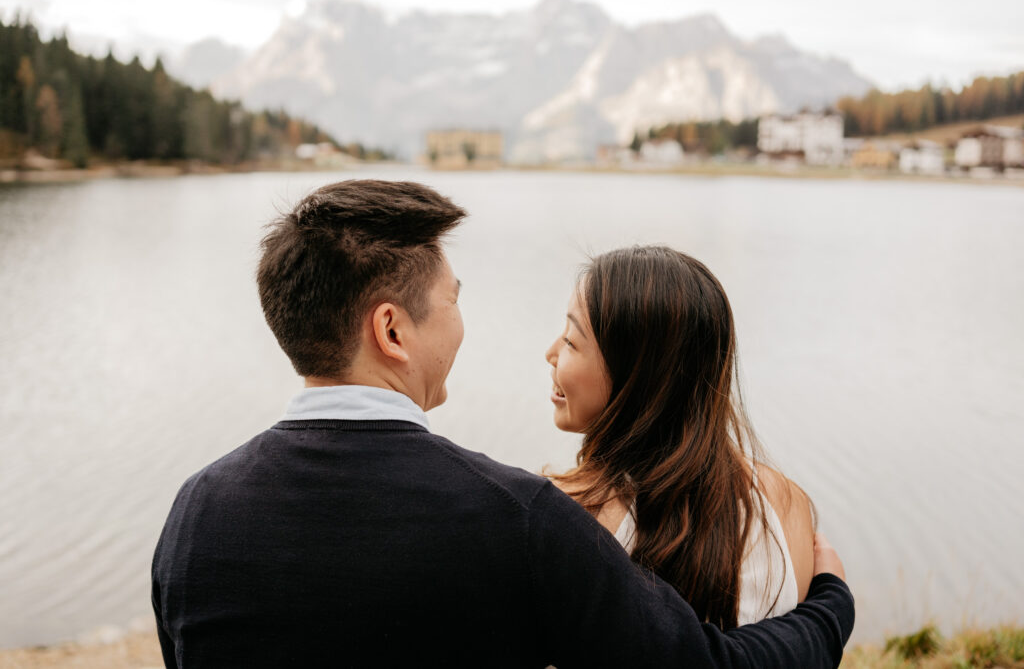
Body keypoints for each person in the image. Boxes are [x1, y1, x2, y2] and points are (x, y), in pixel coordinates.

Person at [151, 179, 854, 668]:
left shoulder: (196, 513)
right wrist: (829, 606)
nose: (462, 318)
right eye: (452, 298)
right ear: (391, 330)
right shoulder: (516, 519)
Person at [545, 245, 815, 629]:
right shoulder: (788, 506)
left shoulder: (566, 511)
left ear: (637, 375)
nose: (551, 353)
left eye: (571, 341)